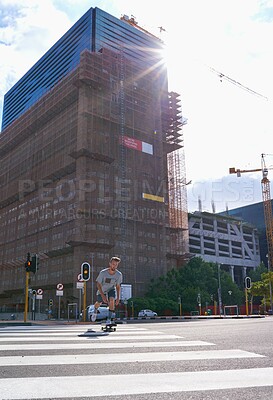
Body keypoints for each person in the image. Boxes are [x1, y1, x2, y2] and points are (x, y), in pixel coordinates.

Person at [91, 256, 122, 324]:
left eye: (116, 265)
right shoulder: (103, 273)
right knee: (99, 302)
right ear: (110, 264)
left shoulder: (118, 274)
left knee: (112, 300)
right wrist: (103, 296)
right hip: (102, 290)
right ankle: (95, 310)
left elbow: (118, 286)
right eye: (113, 264)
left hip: (111, 289)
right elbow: (98, 284)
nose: (114, 266)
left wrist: (118, 298)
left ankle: (109, 319)